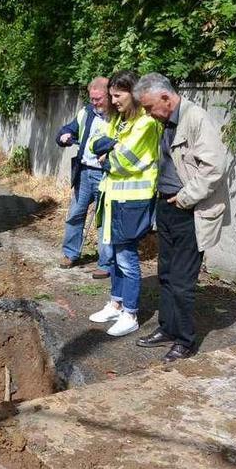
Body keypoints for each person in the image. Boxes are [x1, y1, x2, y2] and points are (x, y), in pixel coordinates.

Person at [132, 72, 228, 362]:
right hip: (167, 207)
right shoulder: (166, 122)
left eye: (149, 108)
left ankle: (185, 340)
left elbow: (214, 167)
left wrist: (185, 198)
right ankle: (168, 329)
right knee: (166, 274)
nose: (149, 114)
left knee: (183, 281)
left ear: (165, 97)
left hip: (189, 210)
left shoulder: (196, 119)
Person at [87, 70, 161, 337]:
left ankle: (131, 313)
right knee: (114, 255)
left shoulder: (146, 124)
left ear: (134, 94)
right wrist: (107, 149)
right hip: (113, 197)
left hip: (132, 201)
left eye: (118, 95)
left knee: (126, 258)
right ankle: (116, 303)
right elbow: (95, 143)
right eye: (111, 95)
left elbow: (122, 162)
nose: (113, 101)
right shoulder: (119, 121)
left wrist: (109, 156)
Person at [56, 76, 114, 279]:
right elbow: (67, 129)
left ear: (109, 96)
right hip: (83, 172)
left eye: (98, 99)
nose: (94, 102)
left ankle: (105, 263)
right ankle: (71, 254)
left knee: (104, 221)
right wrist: (63, 136)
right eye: (92, 98)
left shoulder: (119, 117)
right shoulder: (86, 113)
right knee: (75, 214)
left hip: (105, 175)